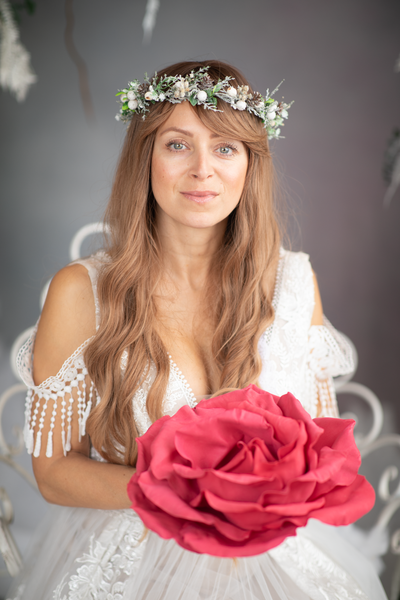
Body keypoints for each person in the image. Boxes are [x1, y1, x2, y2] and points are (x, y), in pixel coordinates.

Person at [8, 60, 388, 600]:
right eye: (178, 144)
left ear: (250, 166)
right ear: (146, 157)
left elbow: (319, 447)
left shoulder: (294, 283)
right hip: (138, 558)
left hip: (277, 559)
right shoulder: (81, 292)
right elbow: (52, 474)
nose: (203, 170)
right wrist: (183, 496)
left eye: (225, 148)